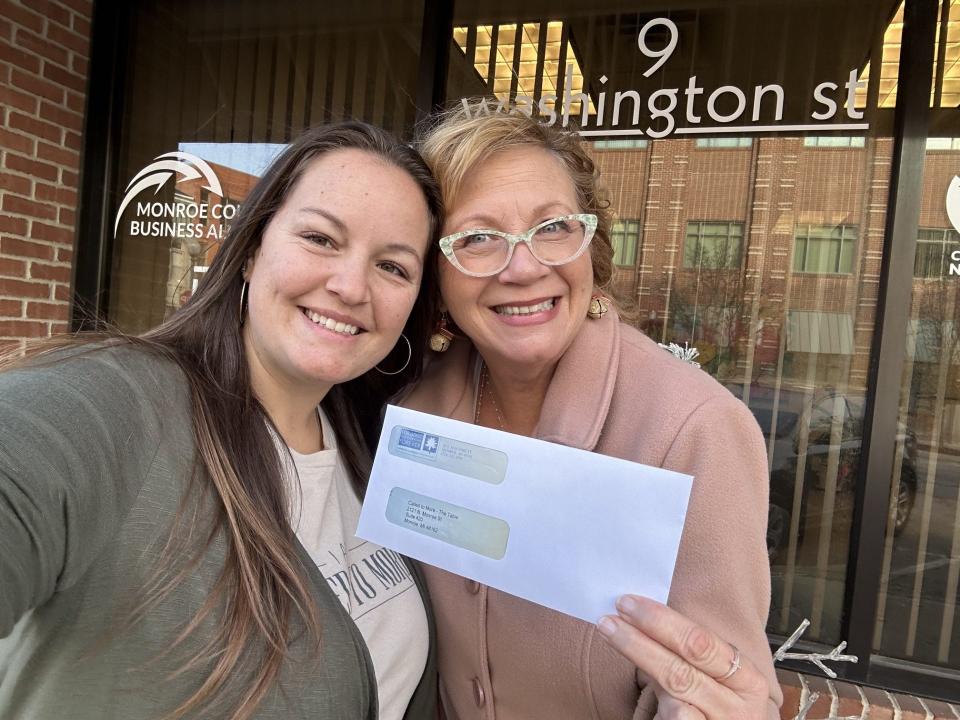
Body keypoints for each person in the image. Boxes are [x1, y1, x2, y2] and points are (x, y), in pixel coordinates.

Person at [0, 122, 443, 720]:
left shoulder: (370, 446)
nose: (350, 286)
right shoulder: (125, 405)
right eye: (319, 237)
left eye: (393, 267)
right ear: (252, 250)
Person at [400, 105, 783, 719]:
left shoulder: (695, 429)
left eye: (552, 228)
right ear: (436, 271)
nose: (523, 267)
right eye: (476, 238)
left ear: (591, 243)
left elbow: (718, 689)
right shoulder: (414, 409)